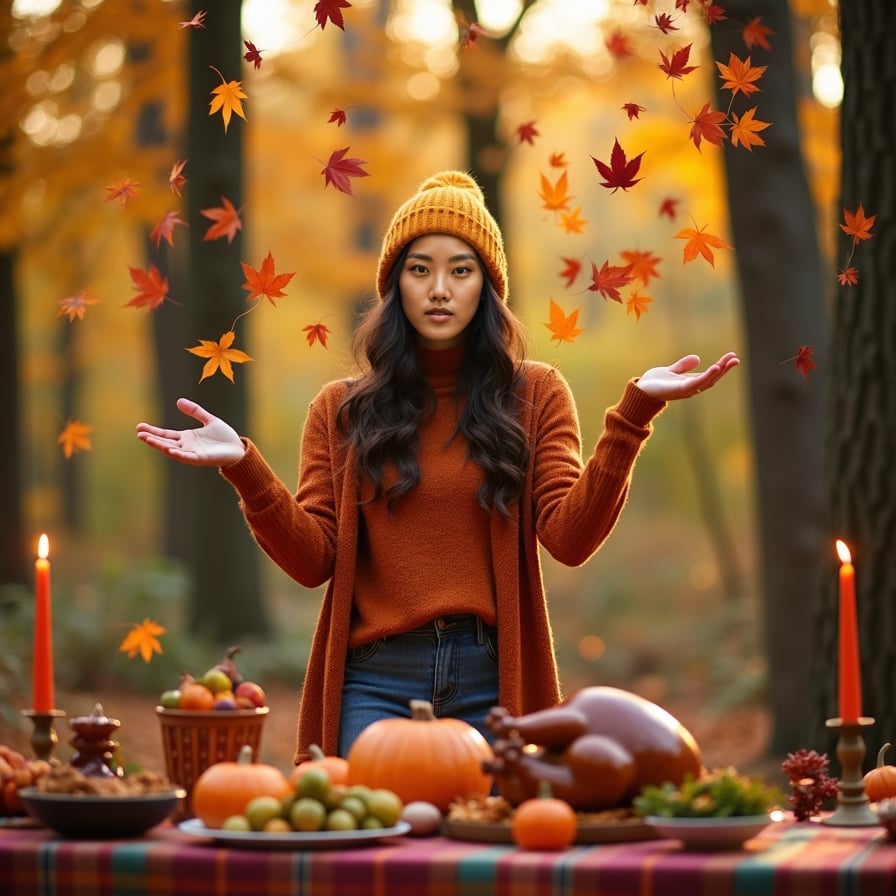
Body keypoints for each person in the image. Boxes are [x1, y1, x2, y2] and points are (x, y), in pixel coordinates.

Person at [136, 170, 739, 763]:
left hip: (493, 680)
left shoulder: (536, 395)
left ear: (488, 286)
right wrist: (245, 467)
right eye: (420, 270)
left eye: (461, 270)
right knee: (373, 825)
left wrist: (633, 417)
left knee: (496, 828)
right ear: (395, 285)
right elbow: (314, 560)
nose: (440, 289)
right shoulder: (340, 410)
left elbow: (570, 539)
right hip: (374, 680)